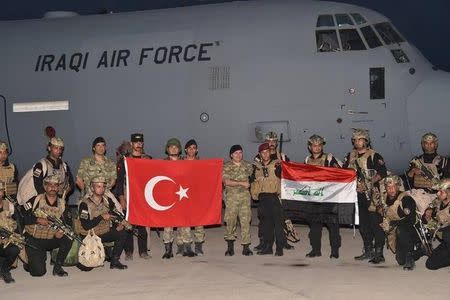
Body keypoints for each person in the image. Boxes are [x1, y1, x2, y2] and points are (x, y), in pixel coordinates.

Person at [343, 128, 387, 263]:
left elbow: (382, 172)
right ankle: (368, 250)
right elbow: (344, 173)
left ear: (366, 141)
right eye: (355, 140)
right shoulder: (351, 156)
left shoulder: (375, 156)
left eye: (360, 139)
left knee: (376, 224)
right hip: (358, 196)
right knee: (364, 225)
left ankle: (379, 253)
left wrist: (368, 182)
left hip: (373, 196)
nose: (357, 142)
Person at [22, 175, 73, 277]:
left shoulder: (62, 204)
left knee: (69, 237)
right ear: (45, 187)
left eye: (56, 185)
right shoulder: (34, 200)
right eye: (50, 185)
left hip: (51, 237)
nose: (53, 187)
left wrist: (61, 232)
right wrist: (37, 219)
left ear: (58, 188)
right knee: (38, 272)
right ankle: (29, 263)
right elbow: (21, 218)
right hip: (34, 239)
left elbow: (68, 223)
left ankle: (58, 267)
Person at [254, 132, 294, 251]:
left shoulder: (282, 157)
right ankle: (263, 242)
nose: (271, 143)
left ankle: (283, 242)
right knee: (264, 220)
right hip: (265, 193)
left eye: (274, 141)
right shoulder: (259, 157)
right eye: (269, 141)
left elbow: (289, 174)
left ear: (277, 143)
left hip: (279, 192)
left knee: (281, 218)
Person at [303, 134, 342, 259]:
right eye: (314, 145)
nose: (317, 148)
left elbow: (340, 173)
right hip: (313, 199)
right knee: (314, 227)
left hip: (328, 199)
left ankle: (334, 251)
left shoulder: (329, 159)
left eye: (319, 145)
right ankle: (315, 250)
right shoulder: (306, 160)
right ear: (310, 147)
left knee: (333, 227)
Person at [76, 176, 127, 270]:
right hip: (90, 236)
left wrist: (119, 224)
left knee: (122, 233)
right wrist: (101, 217)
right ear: (92, 188)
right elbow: (86, 226)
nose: (101, 189)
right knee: (87, 267)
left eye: (103, 186)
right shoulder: (85, 204)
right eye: (98, 186)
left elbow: (115, 214)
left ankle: (114, 261)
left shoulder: (107, 201)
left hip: (104, 231)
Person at [116, 133, 151, 260]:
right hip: (128, 195)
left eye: (140, 142)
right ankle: (129, 251)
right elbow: (119, 181)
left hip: (143, 196)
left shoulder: (147, 159)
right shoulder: (124, 160)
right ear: (131, 144)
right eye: (136, 142)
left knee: (142, 224)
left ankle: (143, 251)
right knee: (128, 225)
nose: (138, 144)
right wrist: (121, 197)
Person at [161, 138, 195, 259]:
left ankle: (187, 248)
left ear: (179, 149)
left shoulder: (186, 163)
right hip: (168, 199)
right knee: (168, 225)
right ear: (167, 149)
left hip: (183, 197)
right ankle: (168, 250)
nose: (173, 148)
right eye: (171, 147)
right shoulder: (161, 164)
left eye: (176, 147)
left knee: (185, 223)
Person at [251, 142, 285, 256]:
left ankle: (279, 248)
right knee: (267, 225)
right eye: (262, 152)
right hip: (262, 199)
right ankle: (268, 247)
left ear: (270, 152)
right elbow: (253, 182)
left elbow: (284, 177)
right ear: (260, 154)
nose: (265, 154)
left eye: (267, 152)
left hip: (274, 197)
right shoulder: (257, 168)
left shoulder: (277, 165)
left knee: (278, 225)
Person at [381, 175, 418, 270]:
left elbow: (411, 220)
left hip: (408, 229)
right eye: (388, 187)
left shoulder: (405, 199)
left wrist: (395, 225)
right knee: (400, 260)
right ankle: (420, 251)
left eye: (393, 186)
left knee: (401, 230)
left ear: (398, 186)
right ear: (385, 187)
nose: (391, 189)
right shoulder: (384, 198)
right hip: (396, 230)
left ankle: (410, 256)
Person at [223, 144, 253, 256]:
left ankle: (246, 247)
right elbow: (226, 182)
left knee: (245, 222)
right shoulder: (226, 166)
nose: (238, 155)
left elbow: (254, 177)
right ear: (231, 155)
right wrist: (241, 183)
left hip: (245, 198)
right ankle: (230, 248)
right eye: (236, 153)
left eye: (240, 152)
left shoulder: (248, 165)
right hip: (231, 198)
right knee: (230, 221)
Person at [32, 137, 74, 204]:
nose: (58, 151)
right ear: (49, 148)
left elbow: (71, 183)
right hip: (46, 201)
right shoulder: (41, 165)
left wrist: (66, 193)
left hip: (61, 201)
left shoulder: (64, 166)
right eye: (55, 148)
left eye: (60, 149)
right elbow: (37, 185)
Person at [183, 139, 206, 256]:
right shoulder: (180, 164)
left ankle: (198, 246)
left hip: (197, 198)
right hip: (184, 197)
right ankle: (187, 247)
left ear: (197, 150)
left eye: (194, 148)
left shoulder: (201, 164)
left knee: (199, 223)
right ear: (186, 150)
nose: (192, 150)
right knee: (185, 223)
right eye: (189, 148)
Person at [425, 179, 450, 270]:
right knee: (430, 264)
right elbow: (433, 204)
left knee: (447, 234)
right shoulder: (439, 201)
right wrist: (429, 210)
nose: (438, 194)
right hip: (446, 243)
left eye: (441, 192)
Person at [0, 189, 20, 283]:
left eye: (0, 191)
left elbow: (17, 224)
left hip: (6, 240)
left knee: (15, 249)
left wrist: (13, 235)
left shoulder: (9, 206)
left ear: (2, 193)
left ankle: (4, 269)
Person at [0, 141, 20, 231]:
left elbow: (15, 185)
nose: (3, 155)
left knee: (9, 226)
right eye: (0, 152)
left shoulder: (12, 167)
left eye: (5, 152)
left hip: (7, 202)